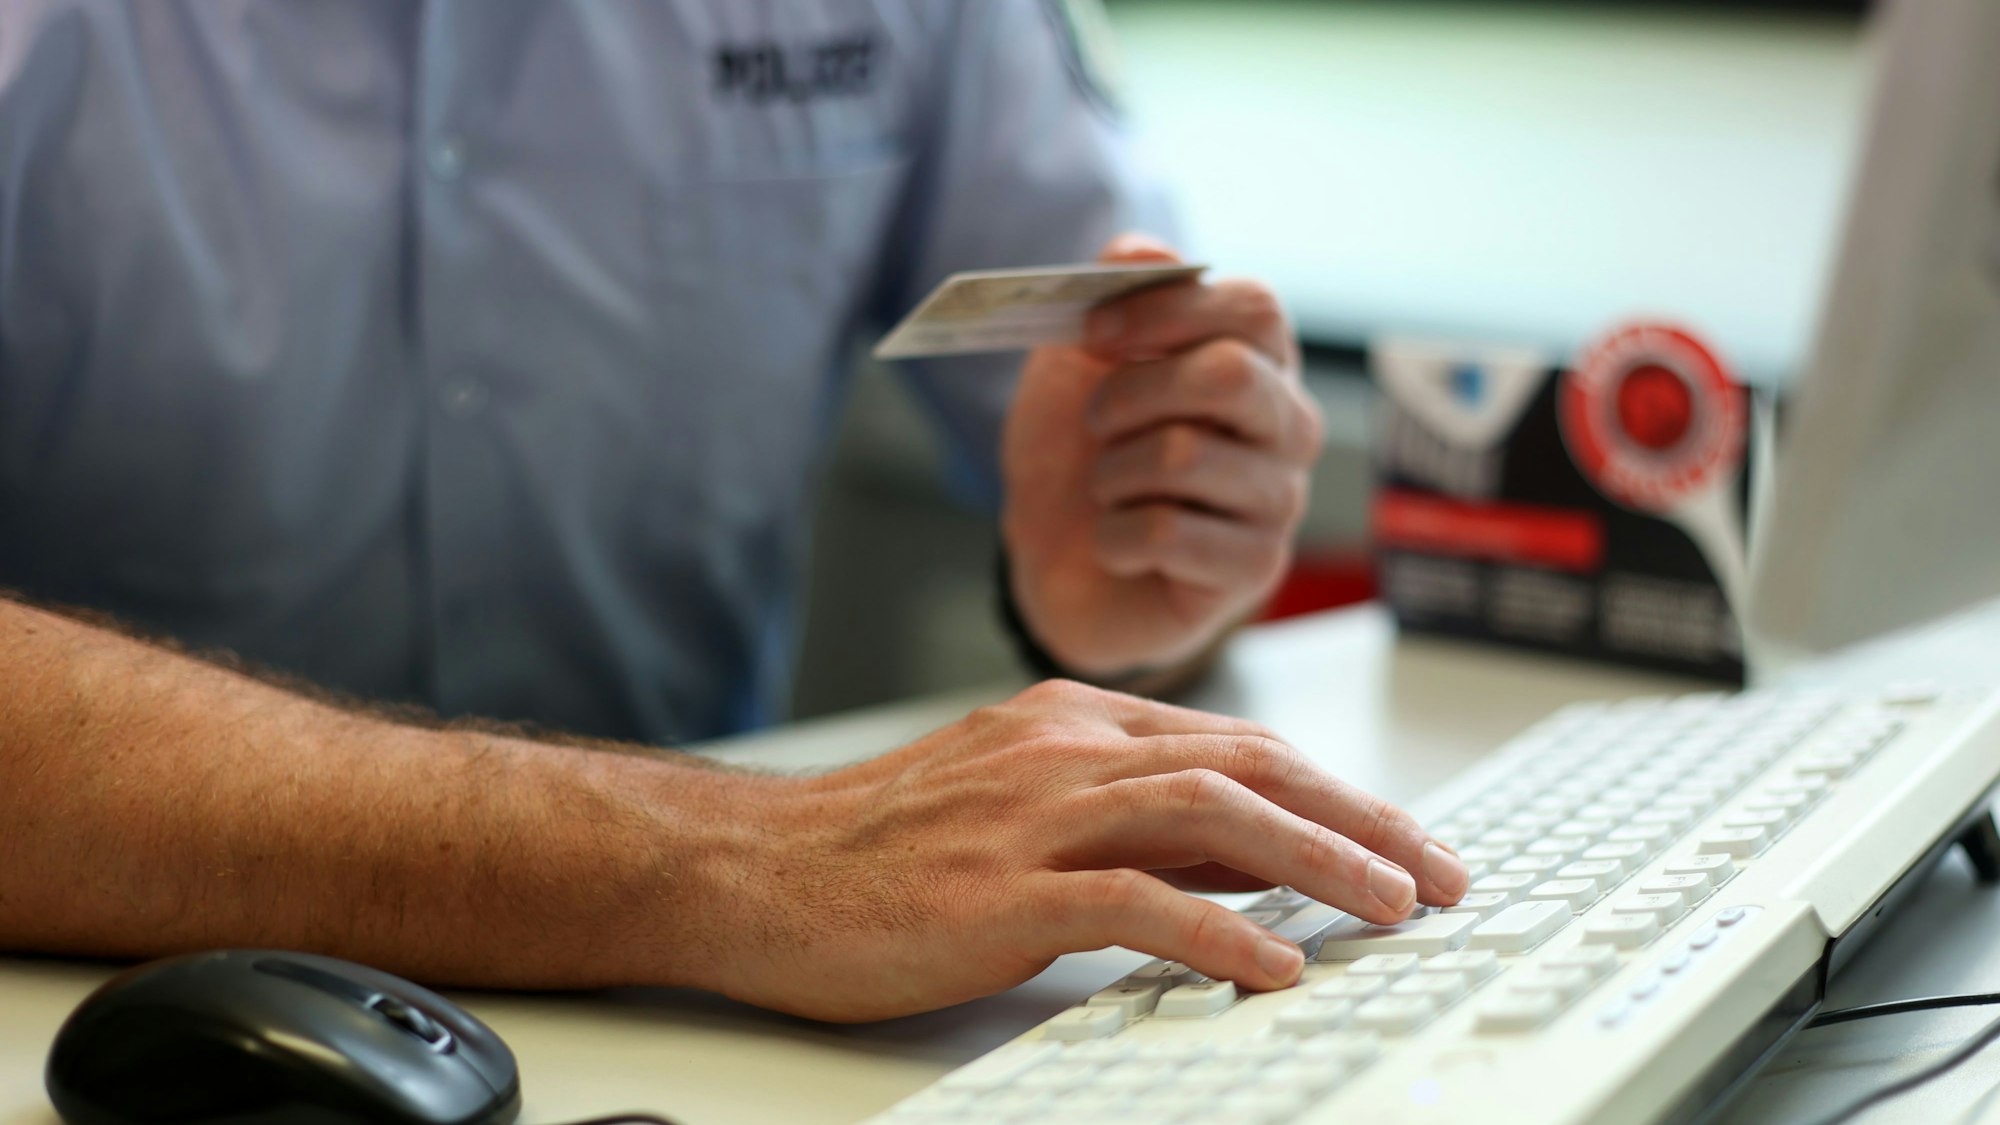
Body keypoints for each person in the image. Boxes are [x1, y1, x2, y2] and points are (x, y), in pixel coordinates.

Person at [0, 1, 1468, 1021]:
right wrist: (735, 859)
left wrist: (1142, 566)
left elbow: (1129, 423)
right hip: (96, 991)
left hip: (708, 1005)